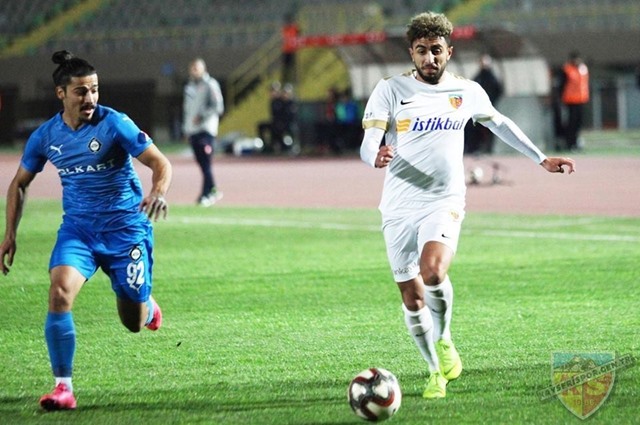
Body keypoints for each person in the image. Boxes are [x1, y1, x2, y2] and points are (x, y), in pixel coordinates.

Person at [359, 12, 576, 400]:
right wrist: (373, 155)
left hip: (443, 199)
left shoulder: (467, 91)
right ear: (411, 53)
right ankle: (434, 371)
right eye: (421, 50)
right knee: (412, 297)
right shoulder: (390, 90)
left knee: (433, 271)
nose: (429, 58)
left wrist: (541, 158)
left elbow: (500, 124)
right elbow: (368, 141)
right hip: (398, 206)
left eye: (436, 50)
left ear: (449, 52)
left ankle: (443, 339)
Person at [0, 50, 173, 411]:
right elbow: (18, 184)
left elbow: (160, 162)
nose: (90, 98)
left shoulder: (115, 124)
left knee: (132, 322)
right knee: (59, 292)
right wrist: (10, 234)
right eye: (81, 91)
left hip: (126, 232)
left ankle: (146, 306)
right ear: (61, 93)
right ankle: (63, 388)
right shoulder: (46, 136)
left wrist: (157, 191)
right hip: (79, 231)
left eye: (94, 90)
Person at [183, 57, 224, 206]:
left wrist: (202, 116)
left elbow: (218, 106)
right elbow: (187, 110)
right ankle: (210, 191)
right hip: (193, 131)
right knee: (202, 164)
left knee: (206, 163)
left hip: (206, 129)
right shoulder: (189, 87)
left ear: (203, 69)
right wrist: (186, 129)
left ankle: (208, 193)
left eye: (197, 68)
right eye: (192, 68)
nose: (194, 71)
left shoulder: (210, 84)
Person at [465, 54, 503, 154]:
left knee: (490, 129)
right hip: (478, 109)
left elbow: (498, 91)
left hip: (489, 109)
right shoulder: (478, 77)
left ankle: (487, 148)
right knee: (475, 128)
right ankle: (474, 148)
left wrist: (492, 102)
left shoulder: (491, 78)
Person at [559, 50, 589, 151]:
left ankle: (576, 142)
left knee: (578, 123)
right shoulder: (567, 69)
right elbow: (562, 85)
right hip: (570, 101)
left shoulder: (583, 69)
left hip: (581, 100)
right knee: (571, 123)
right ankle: (569, 143)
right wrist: (560, 98)